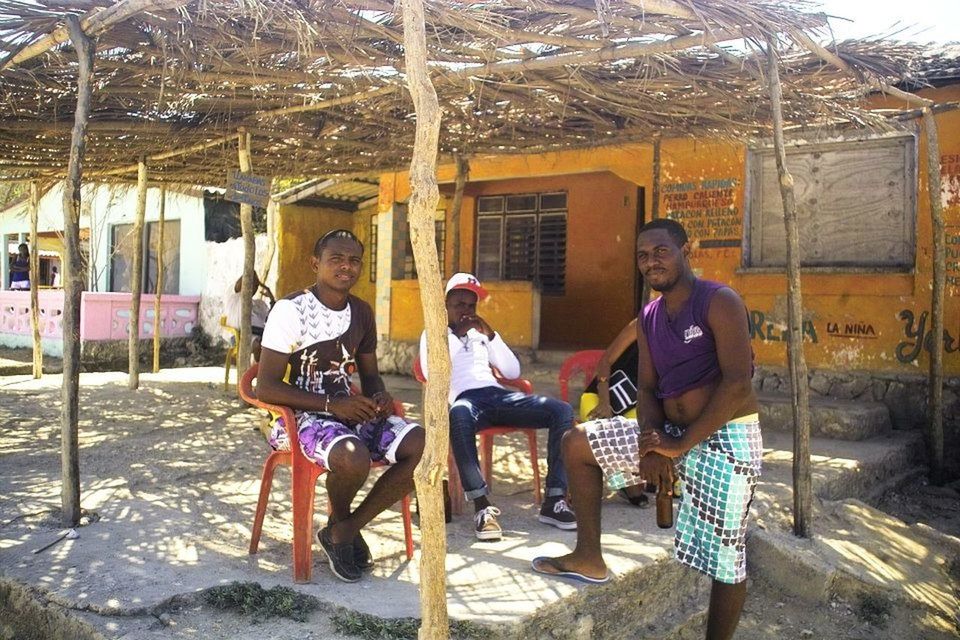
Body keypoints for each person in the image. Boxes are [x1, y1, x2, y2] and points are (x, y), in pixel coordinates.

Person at [533, 219, 761, 640]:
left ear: (684, 250)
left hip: (725, 437)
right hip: (669, 434)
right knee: (578, 442)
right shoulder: (650, 316)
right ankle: (588, 557)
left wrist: (679, 446)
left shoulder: (719, 300)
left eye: (660, 251)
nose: (650, 262)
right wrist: (653, 445)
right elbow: (649, 388)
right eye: (642, 255)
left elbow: (737, 384)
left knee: (728, 557)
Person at [256, 229, 425, 583]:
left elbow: (371, 375)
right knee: (353, 455)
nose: (346, 267)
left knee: (422, 445)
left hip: (346, 409)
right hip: (296, 418)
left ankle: (345, 528)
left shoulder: (361, 312)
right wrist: (334, 405)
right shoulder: (290, 310)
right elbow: (267, 386)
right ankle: (343, 526)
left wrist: (378, 397)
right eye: (336, 259)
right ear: (316, 263)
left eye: (354, 260)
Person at [419, 272, 577, 541]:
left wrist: (491, 335)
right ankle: (482, 508)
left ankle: (554, 500)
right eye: (459, 305)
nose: (466, 311)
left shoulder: (482, 335)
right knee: (458, 413)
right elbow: (431, 372)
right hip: (466, 401)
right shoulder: (434, 334)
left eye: (471, 306)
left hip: (498, 396)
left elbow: (512, 370)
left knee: (561, 410)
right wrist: (457, 335)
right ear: (445, 305)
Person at [579, 318, 650, 507]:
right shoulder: (641, 324)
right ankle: (621, 484)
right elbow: (606, 360)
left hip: (635, 402)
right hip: (600, 395)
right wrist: (604, 401)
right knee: (605, 433)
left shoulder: (680, 341)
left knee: (639, 434)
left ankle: (626, 483)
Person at [224, 271, 274, 360]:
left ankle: (259, 368)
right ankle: (260, 370)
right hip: (240, 337)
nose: (254, 288)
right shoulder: (238, 299)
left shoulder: (257, 304)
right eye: (253, 285)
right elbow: (244, 326)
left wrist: (271, 297)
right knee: (262, 344)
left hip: (249, 335)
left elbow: (272, 316)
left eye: (256, 286)